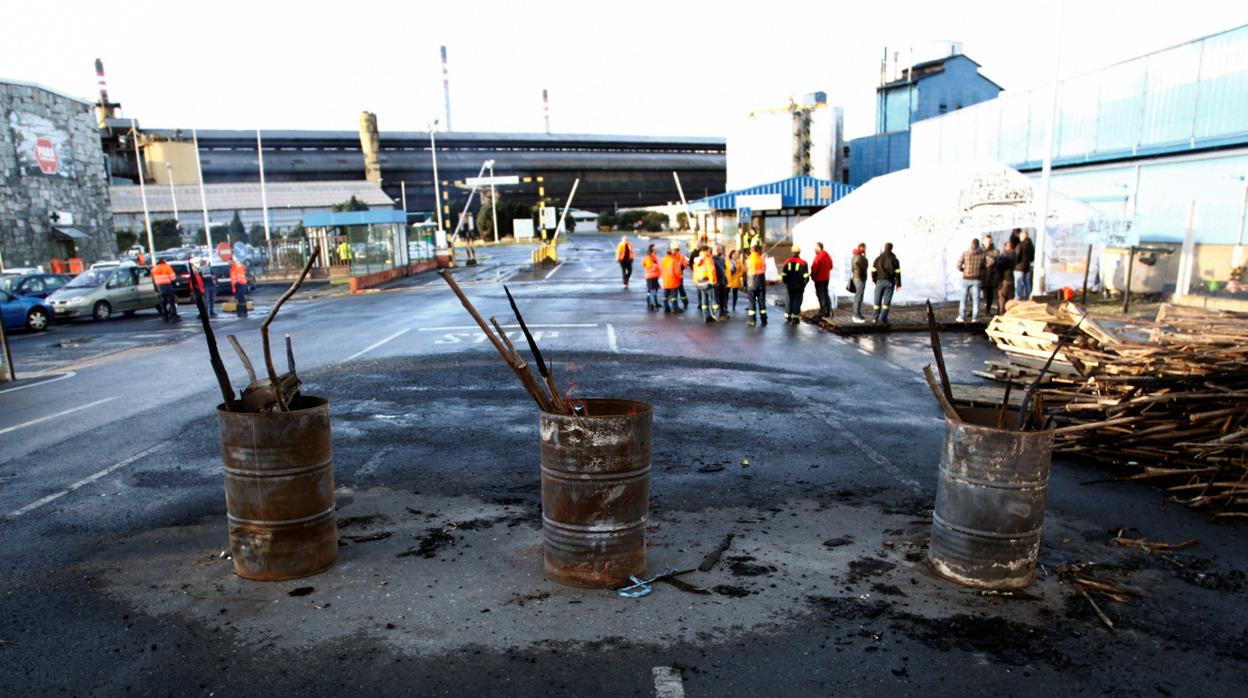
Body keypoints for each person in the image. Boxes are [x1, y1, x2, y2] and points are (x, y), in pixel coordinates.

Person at [956, 238, 987, 322]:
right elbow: (990, 262)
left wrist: (964, 270)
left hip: (966, 278)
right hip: (977, 278)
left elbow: (958, 265)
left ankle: (961, 316)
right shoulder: (982, 254)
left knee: (963, 298)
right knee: (976, 299)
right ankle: (975, 317)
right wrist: (982, 270)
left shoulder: (965, 253)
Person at [871, 243, 901, 325]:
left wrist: (875, 280)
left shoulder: (878, 258)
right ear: (891, 249)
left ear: (884, 248)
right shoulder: (894, 259)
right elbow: (898, 273)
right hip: (890, 282)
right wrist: (898, 284)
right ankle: (883, 319)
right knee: (886, 302)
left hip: (879, 281)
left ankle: (874, 318)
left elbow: (873, 271)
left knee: (877, 301)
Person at [781, 245, 810, 325]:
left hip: (789, 286)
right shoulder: (803, 263)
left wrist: (786, 283)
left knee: (789, 300)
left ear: (792, 252)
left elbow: (784, 275)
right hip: (799, 286)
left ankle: (787, 316)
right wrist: (803, 284)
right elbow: (806, 276)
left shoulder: (787, 262)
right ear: (799, 252)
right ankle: (795, 318)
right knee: (797, 301)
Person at [693, 247, 720, 322]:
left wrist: (696, 282)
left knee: (704, 300)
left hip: (700, 282)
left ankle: (706, 316)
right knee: (713, 299)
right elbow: (711, 271)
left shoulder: (697, 260)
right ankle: (716, 315)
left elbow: (695, 272)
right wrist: (713, 282)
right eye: (709, 250)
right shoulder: (708, 259)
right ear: (707, 251)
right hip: (708, 282)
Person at [745, 244, 768, 327]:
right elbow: (764, 268)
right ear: (758, 250)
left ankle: (752, 320)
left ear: (751, 250)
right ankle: (764, 319)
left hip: (751, 283)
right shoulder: (761, 258)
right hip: (761, 282)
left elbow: (747, 269)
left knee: (751, 301)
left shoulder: (748, 259)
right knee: (761, 301)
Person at [151, 258, 180, 323]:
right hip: (168, 287)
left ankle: (165, 317)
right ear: (164, 262)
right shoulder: (167, 267)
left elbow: (153, 280)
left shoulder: (154, 269)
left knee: (163, 304)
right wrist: (174, 285)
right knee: (172, 303)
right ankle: (174, 317)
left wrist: (156, 290)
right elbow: (173, 278)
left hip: (159, 288)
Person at [810, 242, 833, 319]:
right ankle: (829, 309)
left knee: (820, 294)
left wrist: (813, 276)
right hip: (826, 278)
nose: (814, 249)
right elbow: (831, 266)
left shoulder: (818, 257)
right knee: (826, 293)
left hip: (819, 278)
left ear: (819, 248)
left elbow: (814, 268)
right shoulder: (827, 256)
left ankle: (823, 310)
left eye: (816, 247)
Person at [995, 239, 1017, 312]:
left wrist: (997, 259)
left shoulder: (1008, 255)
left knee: (1002, 296)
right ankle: (1004, 311)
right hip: (1009, 278)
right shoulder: (1013, 254)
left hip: (1005, 278)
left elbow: (1000, 264)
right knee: (1007, 296)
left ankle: (1001, 312)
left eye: (1006, 246)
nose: (1004, 248)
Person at [660, 244, 683, 313]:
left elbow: (661, 269)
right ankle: (675, 308)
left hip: (665, 280)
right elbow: (677, 271)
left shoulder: (664, 259)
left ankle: (666, 308)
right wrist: (680, 277)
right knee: (673, 296)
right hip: (673, 280)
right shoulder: (674, 260)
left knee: (665, 295)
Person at [981, 235, 1000, 316]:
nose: (988, 243)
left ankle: (987, 309)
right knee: (976, 294)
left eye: (989, 241)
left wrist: (992, 261)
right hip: (980, 275)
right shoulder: (979, 250)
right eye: (986, 241)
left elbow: (997, 262)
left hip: (991, 276)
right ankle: (974, 310)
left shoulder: (995, 251)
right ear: (984, 241)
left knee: (989, 294)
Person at [1014, 229, 1034, 301]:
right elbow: (1032, 257)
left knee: (1018, 283)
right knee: (1027, 283)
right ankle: (1028, 298)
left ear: (1022, 237)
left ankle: (1018, 298)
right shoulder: (1031, 246)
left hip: (1019, 267)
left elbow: (1017, 256)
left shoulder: (1020, 245)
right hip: (1027, 267)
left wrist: (1014, 264)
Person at [850, 243, 869, 323]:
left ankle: (857, 313)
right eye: (865, 248)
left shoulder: (854, 256)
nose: (865, 249)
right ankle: (856, 315)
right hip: (860, 278)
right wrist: (865, 256)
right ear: (862, 248)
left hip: (856, 277)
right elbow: (865, 265)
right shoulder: (860, 257)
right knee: (858, 297)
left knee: (858, 296)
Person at [641, 244, 661, 311]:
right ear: (651, 251)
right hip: (650, 277)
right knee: (652, 291)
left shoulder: (654, 257)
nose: (656, 250)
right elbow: (650, 266)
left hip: (655, 276)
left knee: (654, 290)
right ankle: (651, 304)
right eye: (655, 249)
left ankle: (653, 303)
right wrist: (655, 266)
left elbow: (658, 265)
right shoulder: (648, 258)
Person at [671, 244, 690, 310]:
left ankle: (685, 302)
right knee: (676, 290)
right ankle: (675, 306)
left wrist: (680, 268)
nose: (672, 251)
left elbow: (686, 264)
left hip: (678, 276)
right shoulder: (671, 256)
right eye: (672, 250)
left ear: (676, 250)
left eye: (673, 250)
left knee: (680, 289)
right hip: (673, 276)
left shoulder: (680, 256)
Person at [712, 245, 729, 318]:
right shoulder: (712, 260)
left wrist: (725, 279)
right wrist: (715, 281)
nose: (719, 251)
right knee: (716, 298)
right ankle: (717, 313)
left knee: (722, 298)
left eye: (720, 250)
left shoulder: (721, 259)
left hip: (722, 282)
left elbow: (723, 270)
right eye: (717, 250)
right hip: (716, 282)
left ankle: (722, 310)